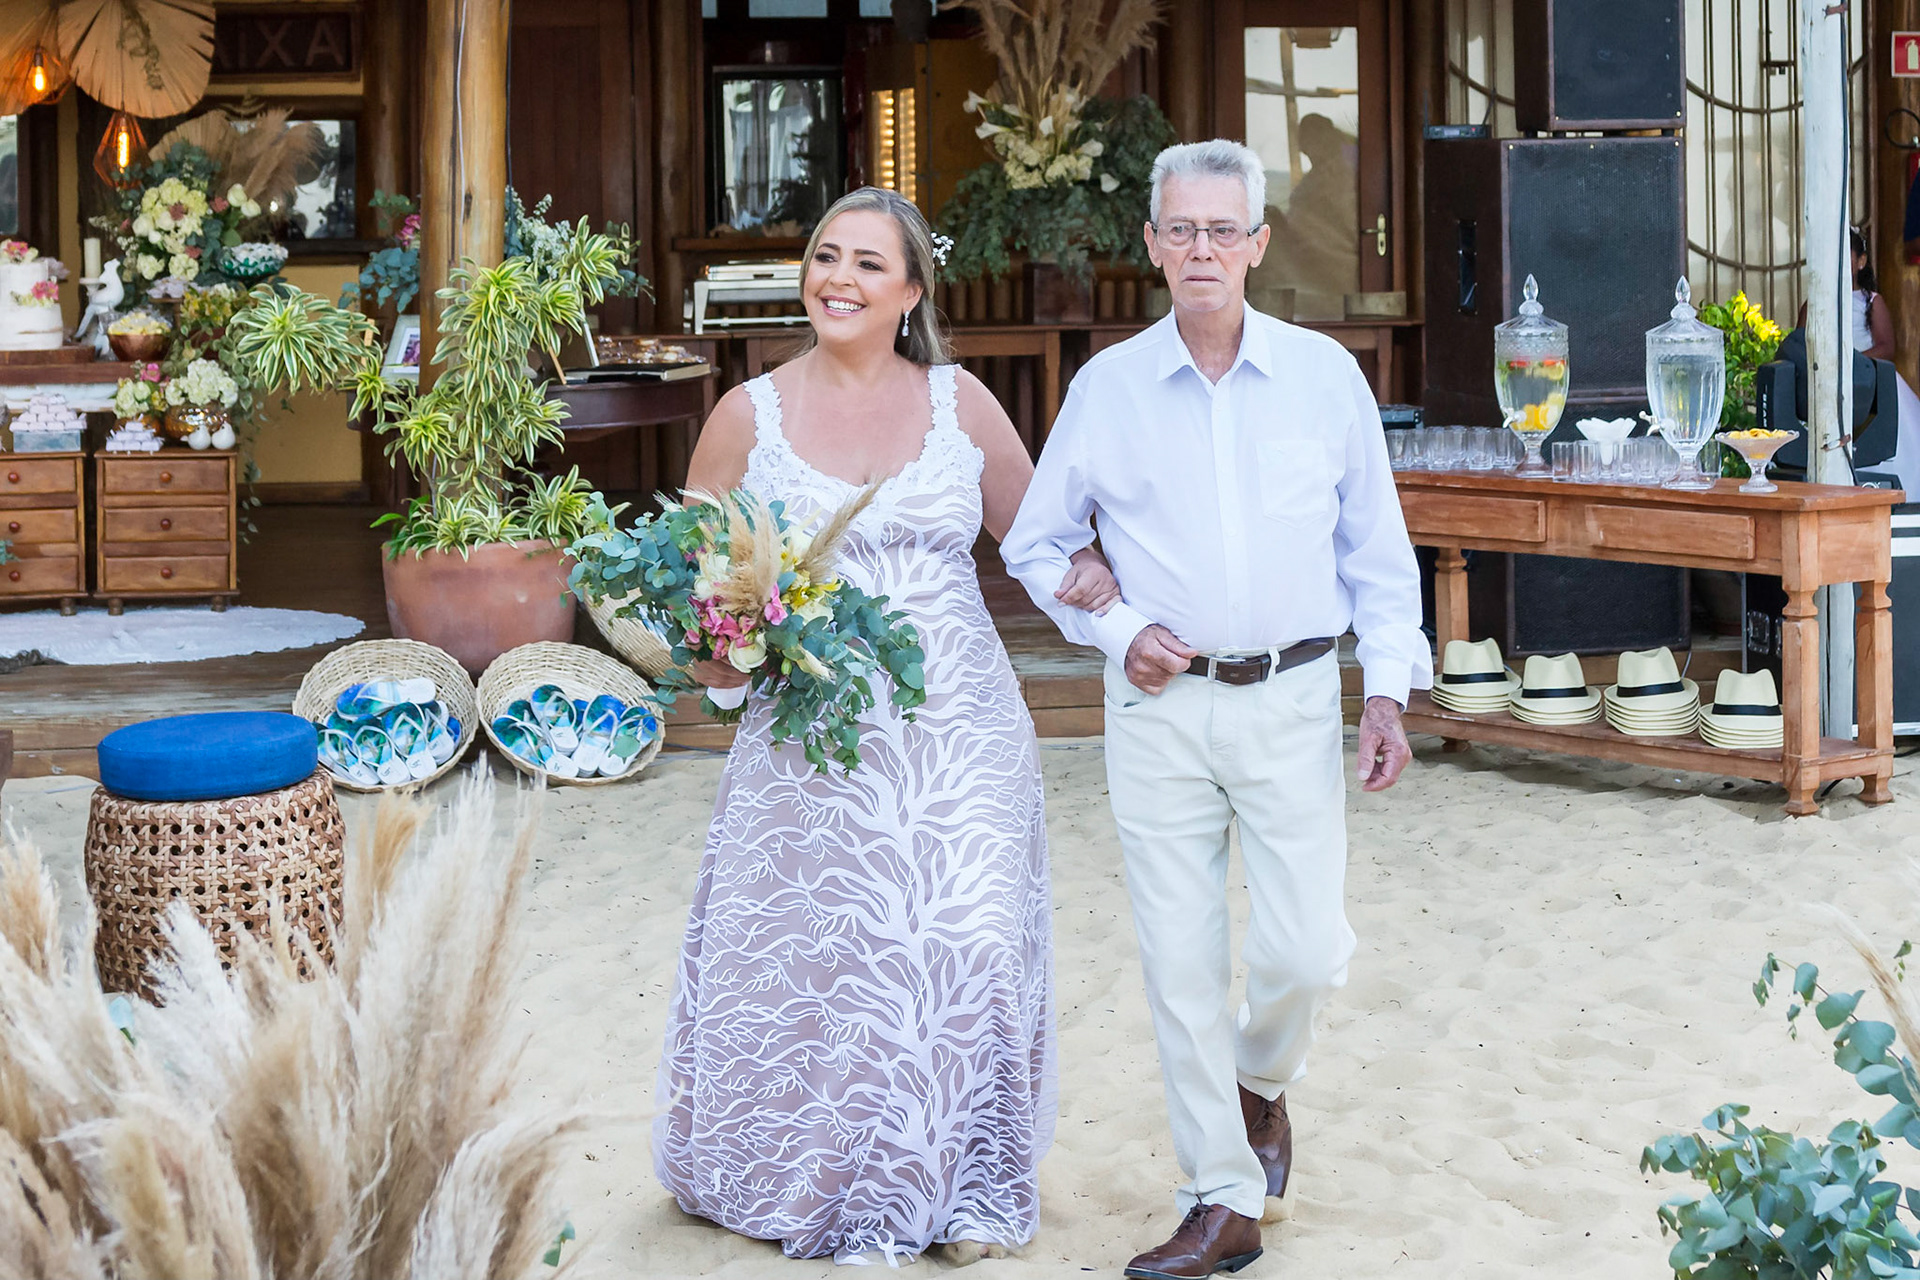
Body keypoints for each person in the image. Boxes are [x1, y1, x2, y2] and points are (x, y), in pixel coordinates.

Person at [652, 186, 1120, 1264]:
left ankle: (956, 1183)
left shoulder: (963, 404)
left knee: (962, 940)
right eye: (825, 256)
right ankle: (827, 1182)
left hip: (958, 722)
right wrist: (718, 650)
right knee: (832, 962)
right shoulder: (744, 417)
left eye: (869, 263)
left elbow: (1046, 546)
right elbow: (689, 596)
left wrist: (1129, 602)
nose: (840, 279)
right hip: (810, 735)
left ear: (911, 292)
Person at [1001, 139, 1431, 1280]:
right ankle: (1220, 1196)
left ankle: (1261, 1082)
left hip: (1293, 699)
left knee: (1305, 950)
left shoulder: (1327, 379)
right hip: (1157, 711)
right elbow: (1034, 541)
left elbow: (1380, 559)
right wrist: (1111, 624)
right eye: (1179, 230)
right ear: (1151, 246)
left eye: (1220, 230)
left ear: (1256, 244)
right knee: (1180, 959)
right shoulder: (1106, 388)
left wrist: (1386, 689)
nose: (1201, 249)